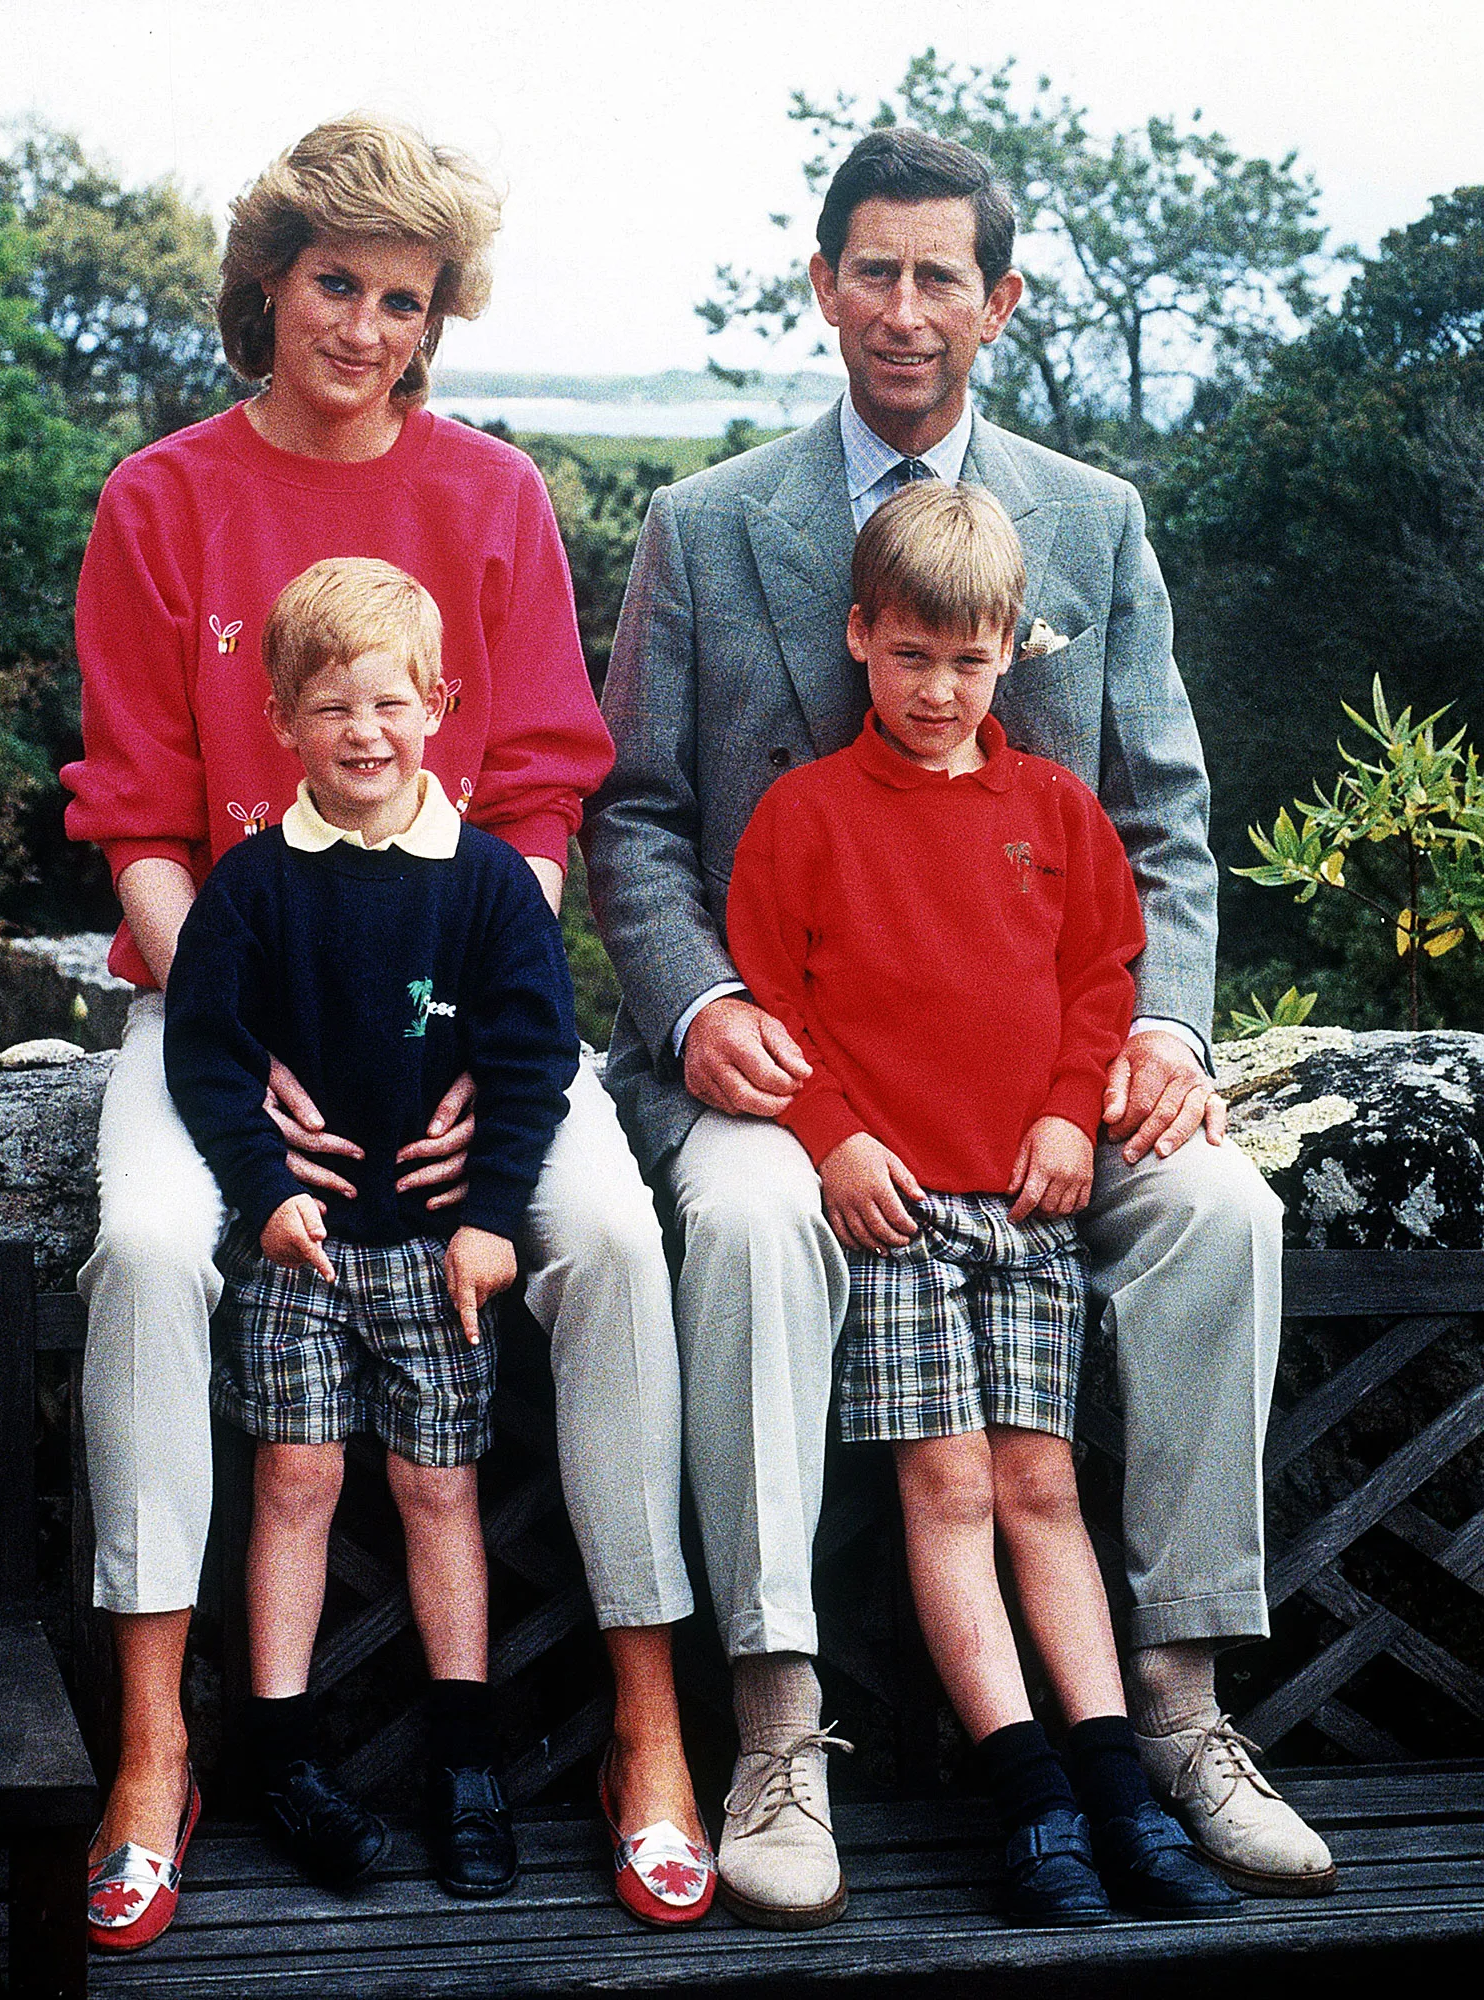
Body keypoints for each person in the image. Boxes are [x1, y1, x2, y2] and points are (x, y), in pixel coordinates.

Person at [584, 125, 1335, 1922]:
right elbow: (629, 817)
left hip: (1043, 1089)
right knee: (754, 1221)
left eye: (941, 277)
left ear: (997, 300)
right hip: (795, 1076)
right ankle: (775, 1721)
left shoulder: (1090, 522)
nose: (903, 310)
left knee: (1220, 1210)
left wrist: (1159, 1033)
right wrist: (694, 1006)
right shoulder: (705, 526)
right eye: (871, 270)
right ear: (821, 281)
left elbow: (1154, 819)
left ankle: (1173, 1707)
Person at [65, 113, 710, 1951]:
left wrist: (460, 1066)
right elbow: (134, 823)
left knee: (604, 1234)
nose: (363, 326)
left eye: (403, 300)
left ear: (438, 322)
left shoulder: (492, 499)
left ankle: (649, 1732)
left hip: (458, 1014)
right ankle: (150, 1754)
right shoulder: (158, 499)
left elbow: (534, 811)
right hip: (221, 999)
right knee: (141, 1246)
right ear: (267, 282)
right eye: (334, 284)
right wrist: (232, 1022)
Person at [727, 478, 1238, 1924]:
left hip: (1025, 1204)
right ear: (857, 640)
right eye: (907, 657)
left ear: (1009, 647)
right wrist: (829, 1138)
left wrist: (1070, 1113)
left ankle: (1118, 1792)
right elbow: (771, 1009)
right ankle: (1027, 1802)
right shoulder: (803, 815)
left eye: (966, 660)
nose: (936, 689)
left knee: (1039, 1490)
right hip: (892, 1213)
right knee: (944, 1491)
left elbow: (1099, 982)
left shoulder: (1054, 812)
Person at [163, 557, 577, 1900]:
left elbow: (531, 1062)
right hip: (305, 1248)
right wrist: (262, 1194)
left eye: (392, 704)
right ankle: (279, 1751)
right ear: (280, 719)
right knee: (293, 1485)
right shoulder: (249, 889)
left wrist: (498, 1218)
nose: (364, 733)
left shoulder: (488, 888)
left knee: (439, 1489)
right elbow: (211, 1061)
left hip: (438, 1251)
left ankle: (466, 1756)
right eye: (330, 707)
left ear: (441, 706)